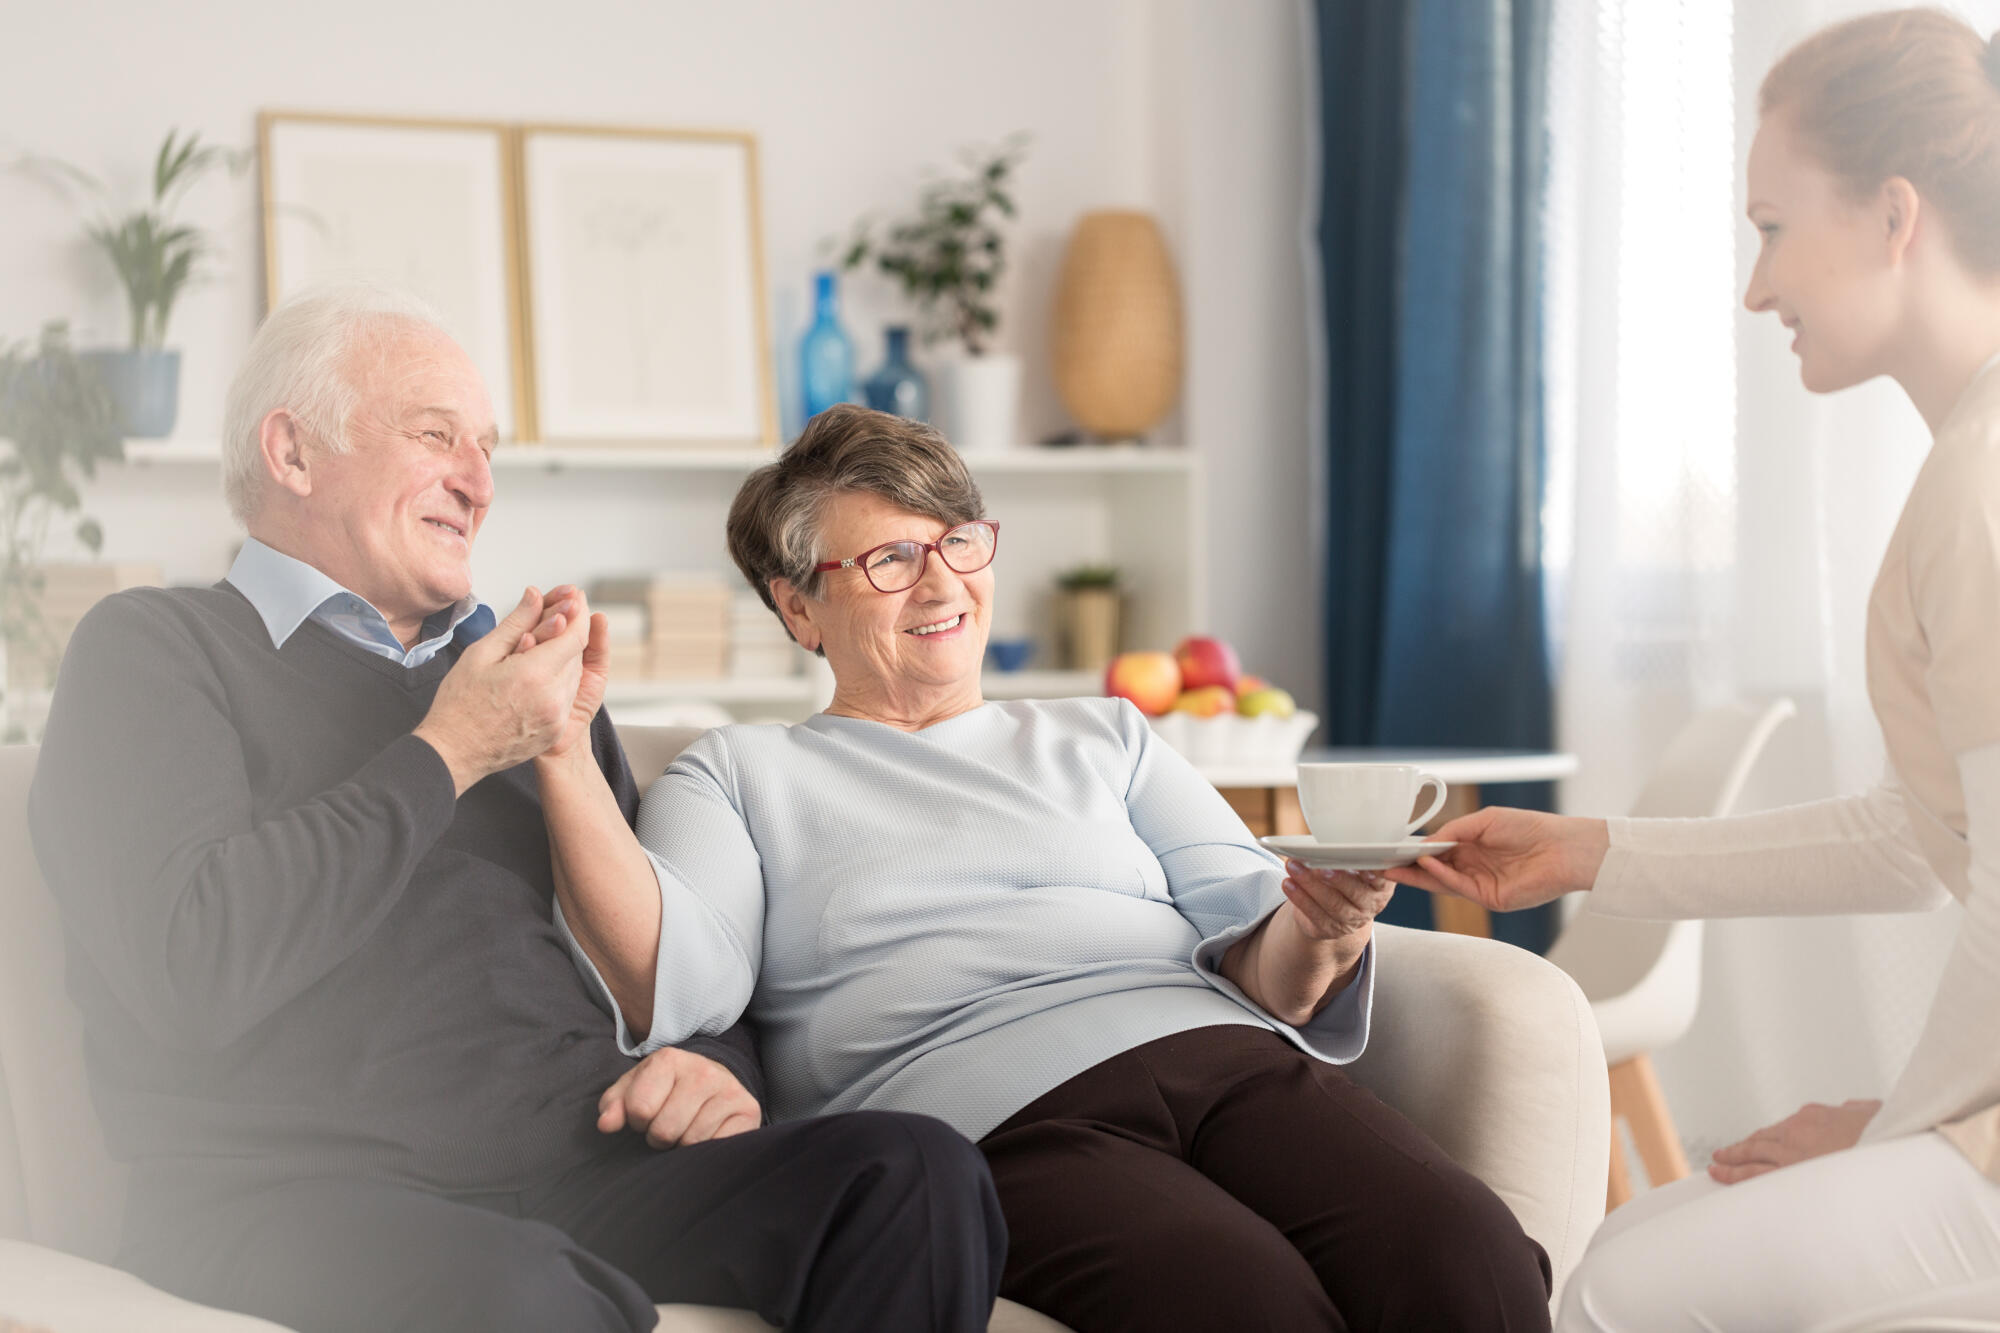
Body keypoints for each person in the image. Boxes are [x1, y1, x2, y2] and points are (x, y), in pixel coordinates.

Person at [26, 284, 1006, 1333]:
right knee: (525, 1295)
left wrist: (713, 1068)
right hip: (291, 1190)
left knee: (913, 1173)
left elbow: (674, 965)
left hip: (580, 1162)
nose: (480, 484)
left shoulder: (531, 688)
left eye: (487, 449)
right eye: (435, 435)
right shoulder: (155, 649)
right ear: (292, 452)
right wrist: (449, 749)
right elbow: (189, 966)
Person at [531, 403, 1553, 1333]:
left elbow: (1268, 965)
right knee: (1241, 1299)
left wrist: (1325, 927)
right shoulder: (740, 769)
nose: (942, 582)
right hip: (995, 1119)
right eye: (891, 558)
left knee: (1469, 1256)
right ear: (798, 608)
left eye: (957, 541)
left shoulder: (1107, 735)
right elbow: (677, 977)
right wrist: (565, 751)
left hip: (1232, 1064)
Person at [1387, 10, 2000, 1329]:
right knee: (1623, 1245)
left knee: (1615, 1287)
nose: (1754, 288)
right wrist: (1588, 851)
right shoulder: (1966, 462)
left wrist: (1897, 1131)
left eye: (1772, 227)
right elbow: (1921, 837)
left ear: (1895, 215)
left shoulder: (1981, 488)